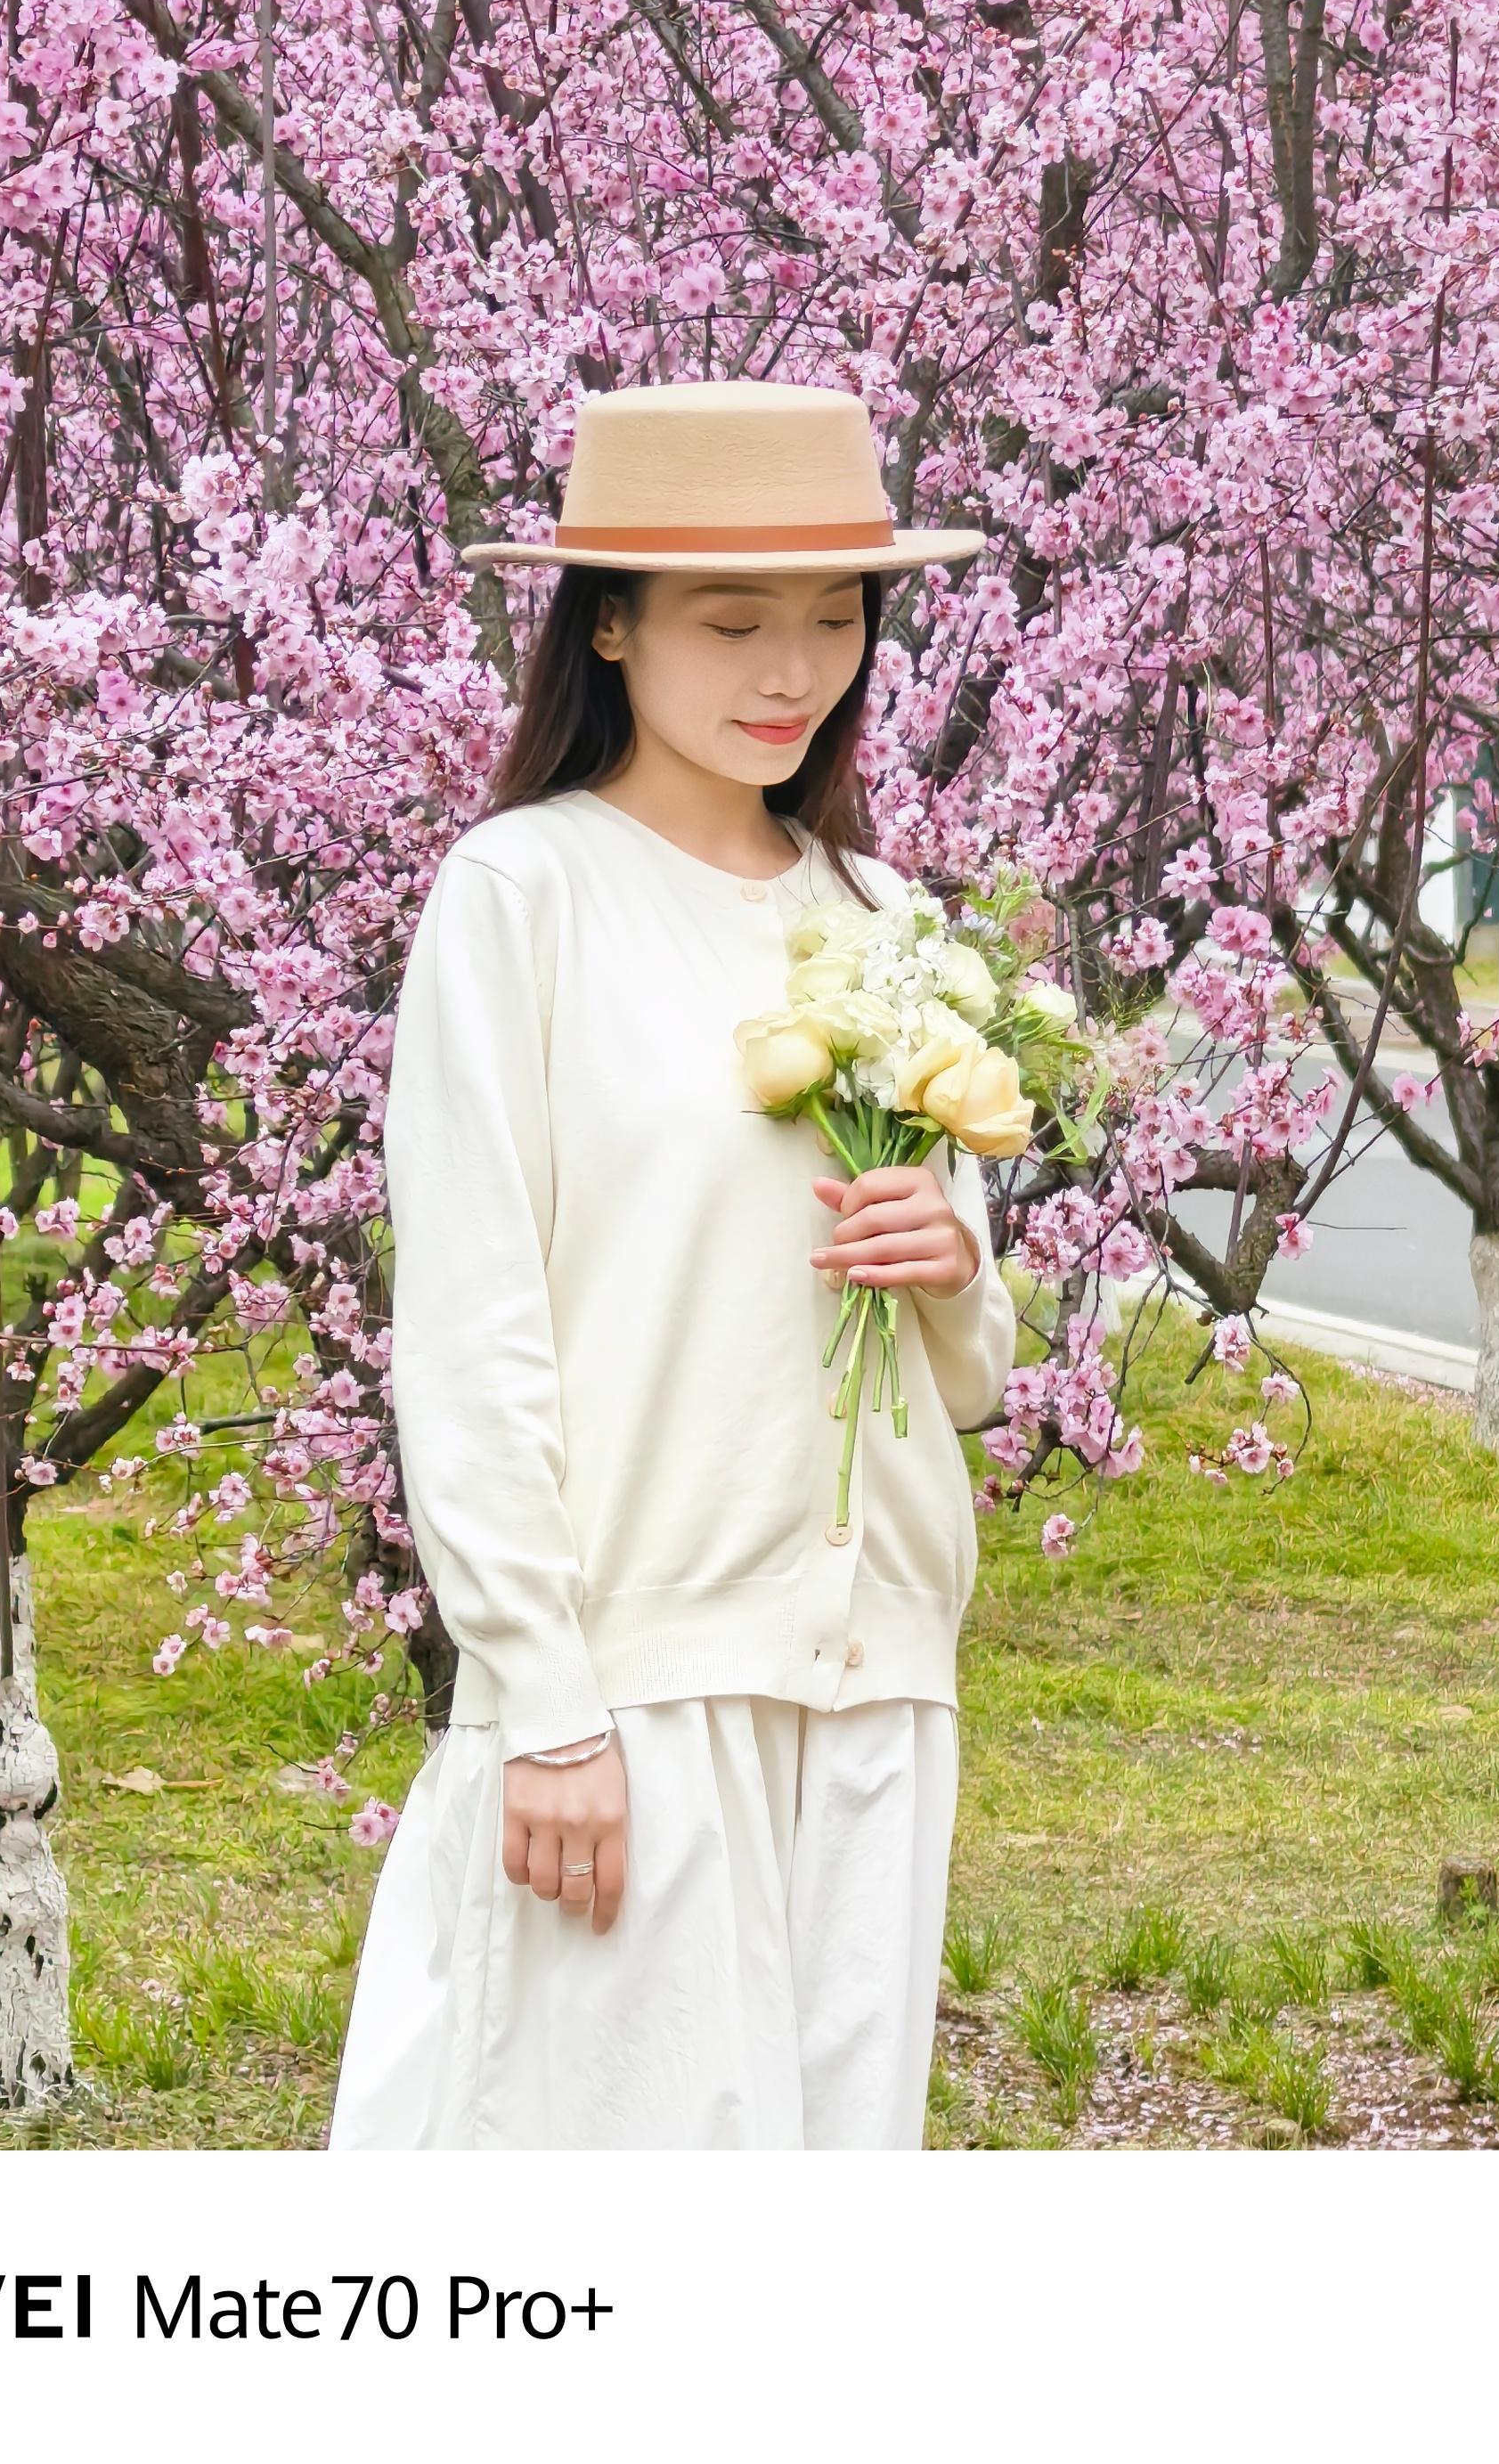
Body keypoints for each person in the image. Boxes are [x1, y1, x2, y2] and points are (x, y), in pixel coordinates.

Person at [330, 379, 1015, 2150]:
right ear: (611, 623)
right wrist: (542, 1698)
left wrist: (946, 1259)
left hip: (873, 1673)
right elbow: (475, 1322)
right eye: (733, 620)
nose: (793, 666)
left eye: (834, 616)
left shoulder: (880, 916)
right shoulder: (523, 893)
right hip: (636, 1673)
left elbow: (973, 1360)